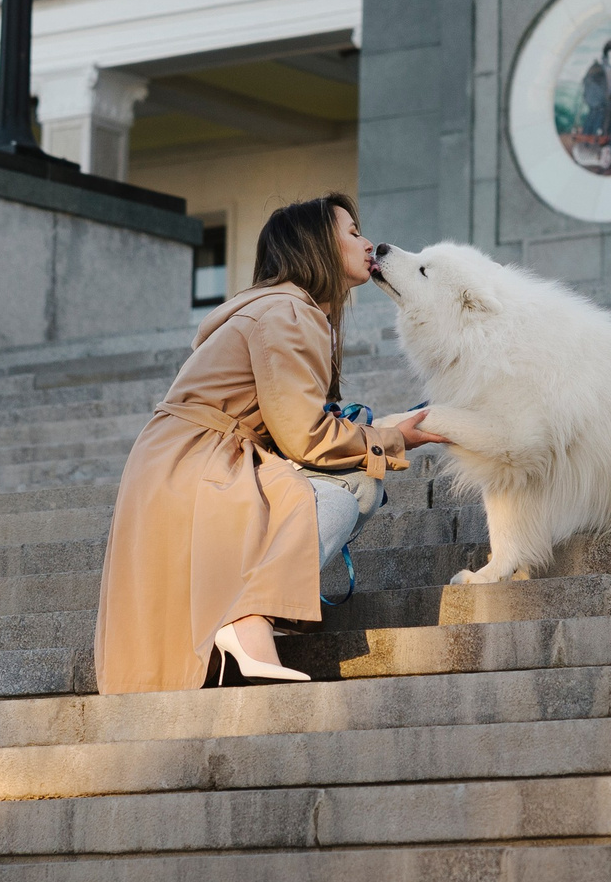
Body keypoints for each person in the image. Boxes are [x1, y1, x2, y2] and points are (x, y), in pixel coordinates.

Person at [93, 192, 443, 692]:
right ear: (318, 245)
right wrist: (395, 438)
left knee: (348, 476)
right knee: (346, 494)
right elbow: (306, 437)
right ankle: (249, 615)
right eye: (352, 233)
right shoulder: (289, 312)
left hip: (181, 462)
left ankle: (245, 623)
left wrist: (382, 433)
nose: (368, 243)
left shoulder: (276, 308)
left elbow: (295, 427)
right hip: (203, 460)